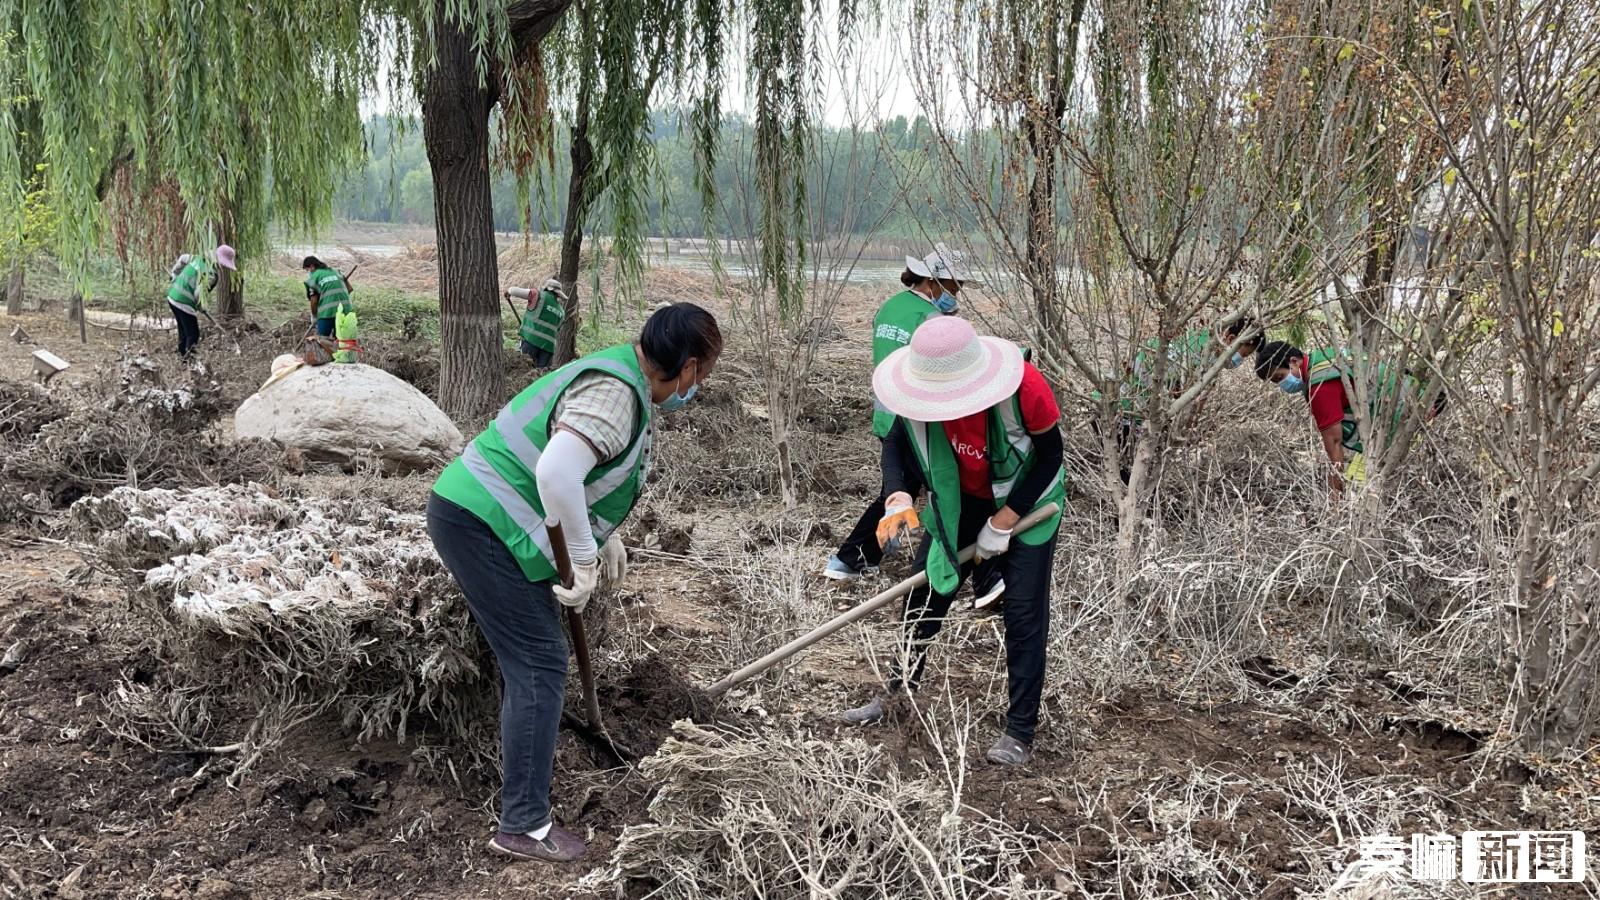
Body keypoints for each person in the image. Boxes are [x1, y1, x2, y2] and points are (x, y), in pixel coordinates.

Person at [427, 302, 722, 863]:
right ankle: (523, 826)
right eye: (702, 373)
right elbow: (556, 471)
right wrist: (582, 553)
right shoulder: (617, 395)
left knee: (535, 657)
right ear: (687, 367)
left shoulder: (622, 374)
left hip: (481, 515)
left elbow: (577, 470)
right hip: (481, 522)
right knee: (540, 661)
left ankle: (527, 784)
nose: (697, 386)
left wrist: (601, 532)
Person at [838, 316, 1066, 767]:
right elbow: (896, 444)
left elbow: (1050, 456)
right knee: (923, 596)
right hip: (959, 501)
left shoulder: (1025, 388)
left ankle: (1019, 731)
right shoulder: (917, 395)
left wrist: (1004, 521)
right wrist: (897, 496)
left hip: (1027, 504)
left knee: (1023, 611)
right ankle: (898, 696)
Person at [824, 244, 1005, 608]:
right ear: (934, 283)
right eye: (953, 287)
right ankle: (851, 560)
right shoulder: (932, 321)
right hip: (918, 421)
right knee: (944, 493)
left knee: (899, 491)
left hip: (886, 413)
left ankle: (855, 560)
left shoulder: (890, 307)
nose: (955, 295)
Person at [1253, 341, 1447, 495]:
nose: (1282, 385)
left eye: (1280, 377)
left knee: (1359, 487)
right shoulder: (1325, 356)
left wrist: (1335, 496)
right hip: (1423, 395)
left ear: (1294, 361)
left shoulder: (1320, 385)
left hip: (1410, 412)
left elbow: (1334, 443)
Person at [1092, 317, 1262, 482]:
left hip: (1119, 404)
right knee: (1128, 475)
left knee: (1130, 473)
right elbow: (1190, 398)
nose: (1240, 361)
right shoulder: (1202, 354)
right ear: (1230, 339)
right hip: (1120, 408)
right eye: (1243, 355)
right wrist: (1187, 430)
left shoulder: (1198, 339)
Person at [166, 245, 236, 356]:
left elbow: (183, 258)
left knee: (184, 330)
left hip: (172, 296)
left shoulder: (198, 258)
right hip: (184, 302)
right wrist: (201, 306)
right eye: (224, 265)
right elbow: (198, 294)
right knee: (193, 334)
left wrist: (175, 273)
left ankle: (183, 356)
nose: (223, 267)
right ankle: (190, 359)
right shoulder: (211, 275)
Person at [511, 279, 566, 367]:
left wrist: (508, 291)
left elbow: (513, 291)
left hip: (531, 341)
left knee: (524, 370)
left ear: (546, 288)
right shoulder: (562, 312)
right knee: (541, 373)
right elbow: (556, 329)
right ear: (558, 294)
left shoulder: (538, 295)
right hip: (548, 348)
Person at [302, 257, 353, 339]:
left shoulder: (313, 278)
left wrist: (314, 316)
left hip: (327, 313)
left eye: (307, 270)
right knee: (341, 341)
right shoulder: (336, 271)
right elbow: (349, 289)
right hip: (346, 311)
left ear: (312, 266)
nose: (308, 272)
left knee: (322, 340)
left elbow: (314, 301)